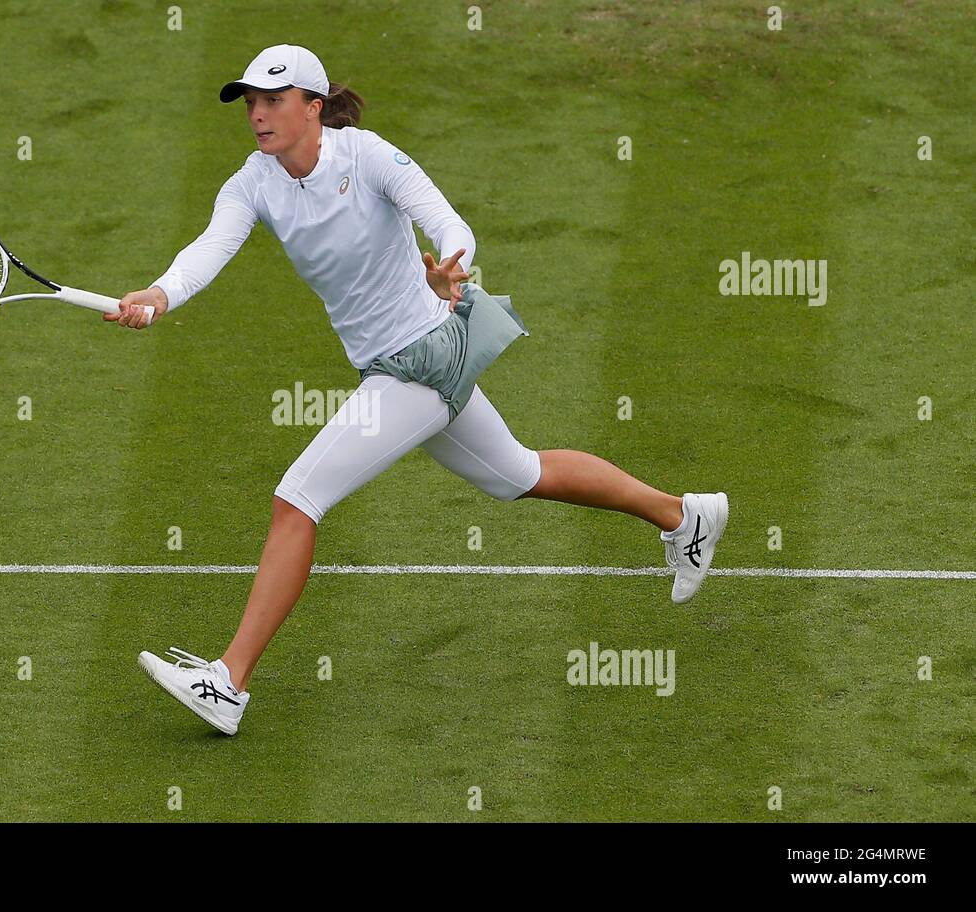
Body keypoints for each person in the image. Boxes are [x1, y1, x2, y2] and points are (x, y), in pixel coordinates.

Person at [109, 45, 728, 735]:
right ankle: (684, 517)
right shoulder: (252, 184)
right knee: (519, 473)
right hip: (403, 364)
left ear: (314, 109)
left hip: (423, 359)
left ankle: (226, 683)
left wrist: (452, 269)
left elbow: (449, 223)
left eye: (273, 100)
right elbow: (209, 248)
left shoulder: (368, 157)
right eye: (251, 101)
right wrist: (160, 296)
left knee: (297, 500)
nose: (258, 114)